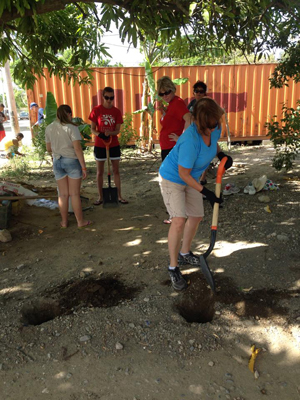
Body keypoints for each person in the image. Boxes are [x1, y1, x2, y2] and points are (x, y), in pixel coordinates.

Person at [159, 97, 233, 291]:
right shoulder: (190, 139)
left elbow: (214, 143)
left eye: (214, 124)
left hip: (189, 176)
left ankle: (185, 253)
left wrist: (221, 154)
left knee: (197, 215)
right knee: (178, 220)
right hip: (173, 178)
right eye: (208, 126)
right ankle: (173, 267)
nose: (212, 129)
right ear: (200, 123)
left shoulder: (215, 126)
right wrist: (206, 191)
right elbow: (183, 173)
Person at [45, 104, 92, 229]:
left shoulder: (49, 128)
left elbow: (48, 148)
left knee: (63, 195)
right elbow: (77, 148)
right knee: (75, 194)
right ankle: (80, 221)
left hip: (57, 161)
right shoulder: (72, 128)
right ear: (69, 114)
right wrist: (83, 167)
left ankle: (64, 222)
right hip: (71, 161)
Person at [157, 76, 192, 224]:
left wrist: (182, 139)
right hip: (166, 147)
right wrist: (164, 112)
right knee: (170, 180)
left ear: (173, 89)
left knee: (171, 180)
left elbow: (188, 118)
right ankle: (176, 212)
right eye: (161, 94)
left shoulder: (177, 102)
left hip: (172, 148)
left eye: (167, 92)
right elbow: (172, 121)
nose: (165, 96)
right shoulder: (170, 104)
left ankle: (176, 214)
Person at [89, 86, 128, 205]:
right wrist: (99, 134)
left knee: (116, 170)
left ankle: (119, 196)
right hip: (100, 145)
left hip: (113, 144)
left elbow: (117, 130)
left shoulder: (116, 112)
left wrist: (110, 133)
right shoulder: (96, 110)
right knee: (100, 172)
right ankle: (101, 197)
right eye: (107, 97)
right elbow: (92, 129)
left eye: (111, 98)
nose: (109, 100)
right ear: (103, 97)